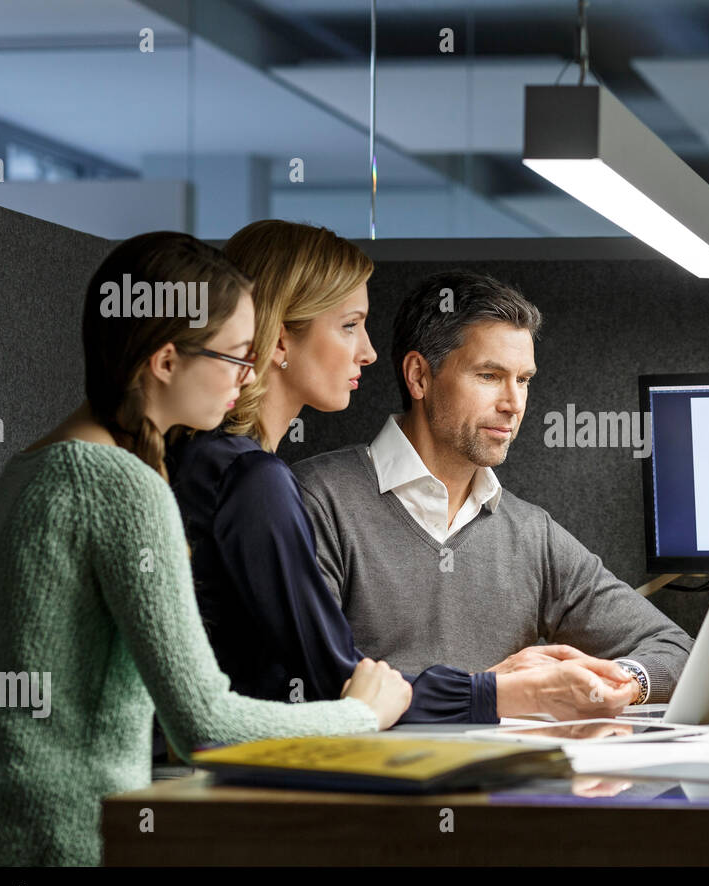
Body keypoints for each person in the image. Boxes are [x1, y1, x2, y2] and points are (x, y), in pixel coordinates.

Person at [0, 233, 410, 866]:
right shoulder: (127, 489)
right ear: (166, 362)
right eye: (235, 359)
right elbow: (206, 729)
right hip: (63, 853)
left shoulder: (26, 469)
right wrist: (361, 716)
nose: (246, 379)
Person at [292, 271, 694, 720]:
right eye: (489, 376)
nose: (513, 403)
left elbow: (678, 650)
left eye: (523, 380)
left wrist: (615, 681)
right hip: (374, 784)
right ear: (419, 377)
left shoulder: (529, 533)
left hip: (499, 785)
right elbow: (312, 687)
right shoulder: (316, 500)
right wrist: (492, 691)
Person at [167, 221, 489, 721]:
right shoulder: (253, 480)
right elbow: (337, 683)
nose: (369, 351)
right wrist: (496, 694)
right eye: (349, 324)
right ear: (278, 340)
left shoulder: (199, 456)